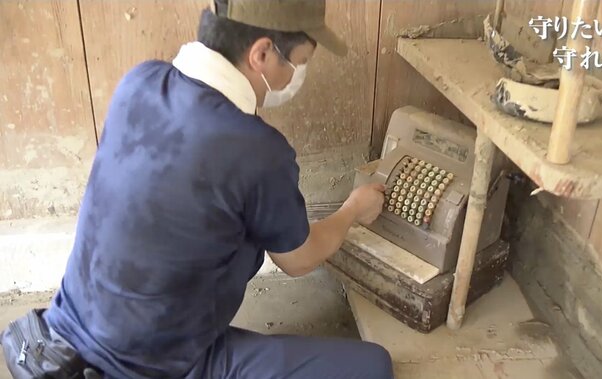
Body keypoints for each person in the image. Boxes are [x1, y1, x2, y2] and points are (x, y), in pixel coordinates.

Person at [40, 0, 392, 378]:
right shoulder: (257, 149)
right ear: (261, 53)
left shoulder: (140, 81)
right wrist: (353, 209)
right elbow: (298, 259)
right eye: (301, 60)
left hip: (62, 338)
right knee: (373, 366)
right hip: (154, 365)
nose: (298, 73)